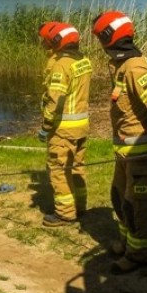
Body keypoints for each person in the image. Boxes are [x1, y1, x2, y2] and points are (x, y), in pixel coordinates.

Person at [91, 11, 147, 274]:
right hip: (125, 153)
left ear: (110, 38)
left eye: (100, 38)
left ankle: (139, 254)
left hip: (141, 155)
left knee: (137, 206)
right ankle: (126, 241)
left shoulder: (134, 68)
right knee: (120, 199)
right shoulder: (121, 65)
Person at [37, 22, 92, 227]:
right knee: (77, 167)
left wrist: (46, 126)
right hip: (81, 126)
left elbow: (56, 99)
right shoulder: (83, 60)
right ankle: (80, 205)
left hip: (63, 128)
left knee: (59, 169)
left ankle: (65, 214)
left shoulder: (61, 65)